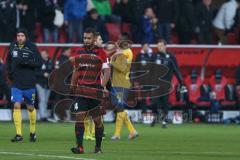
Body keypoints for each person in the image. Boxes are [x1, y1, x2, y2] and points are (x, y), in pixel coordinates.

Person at [70, 28, 110, 154]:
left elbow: (107, 71)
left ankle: (98, 147)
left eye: (88, 38)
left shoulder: (102, 53)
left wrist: (102, 86)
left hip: (95, 91)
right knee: (79, 117)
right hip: (81, 91)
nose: (86, 40)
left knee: (97, 121)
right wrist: (72, 86)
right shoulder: (79, 52)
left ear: (94, 39)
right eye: (84, 38)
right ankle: (80, 147)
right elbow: (76, 71)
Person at [6, 28, 42, 142]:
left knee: (30, 107)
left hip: (29, 82)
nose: (20, 38)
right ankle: (19, 134)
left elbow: (39, 62)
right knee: (16, 105)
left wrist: (26, 62)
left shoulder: (32, 47)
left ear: (26, 37)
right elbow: (8, 61)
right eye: (18, 36)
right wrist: (10, 73)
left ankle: (32, 132)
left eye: (22, 36)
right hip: (16, 82)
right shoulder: (12, 46)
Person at [110, 33, 138, 140]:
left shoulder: (125, 53)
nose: (117, 41)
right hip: (118, 83)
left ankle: (117, 134)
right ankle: (132, 131)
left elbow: (122, 68)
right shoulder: (123, 52)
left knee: (119, 106)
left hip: (121, 84)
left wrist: (112, 61)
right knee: (118, 106)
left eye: (120, 40)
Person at [152, 39, 184, 128]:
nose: (159, 47)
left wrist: (181, 81)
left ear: (165, 46)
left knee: (164, 103)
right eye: (158, 46)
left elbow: (176, 69)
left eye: (161, 46)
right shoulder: (155, 56)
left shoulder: (170, 57)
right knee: (154, 103)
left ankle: (164, 121)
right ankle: (155, 117)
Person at [36, 49, 53, 121]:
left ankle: (44, 115)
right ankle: (42, 116)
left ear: (47, 54)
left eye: (44, 54)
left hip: (48, 84)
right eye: (41, 54)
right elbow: (35, 72)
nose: (42, 55)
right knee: (42, 100)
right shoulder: (38, 62)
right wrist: (43, 74)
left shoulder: (50, 62)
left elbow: (53, 71)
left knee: (45, 100)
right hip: (40, 83)